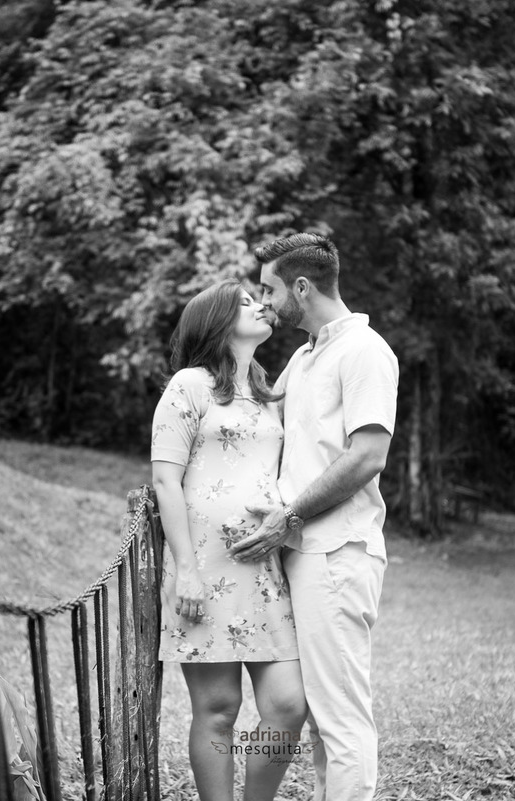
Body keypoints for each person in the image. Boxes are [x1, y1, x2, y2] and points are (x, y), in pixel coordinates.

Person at [229, 233, 399, 801]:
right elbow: (262, 432)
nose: (266, 302)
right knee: (308, 712)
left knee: (341, 718)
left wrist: (289, 515)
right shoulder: (303, 359)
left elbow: (368, 455)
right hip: (298, 557)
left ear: (302, 287)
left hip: (335, 555)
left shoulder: (364, 351)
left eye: (270, 289)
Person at [150, 279, 308, 801]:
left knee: (287, 705)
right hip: (205, 573)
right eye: (245, 303)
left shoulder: (268, 391)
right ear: (217, 322)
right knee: (218, 710)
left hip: (266, 571)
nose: (262, 305)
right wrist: (187, 570)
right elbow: (165, 481)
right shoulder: (188, 386)